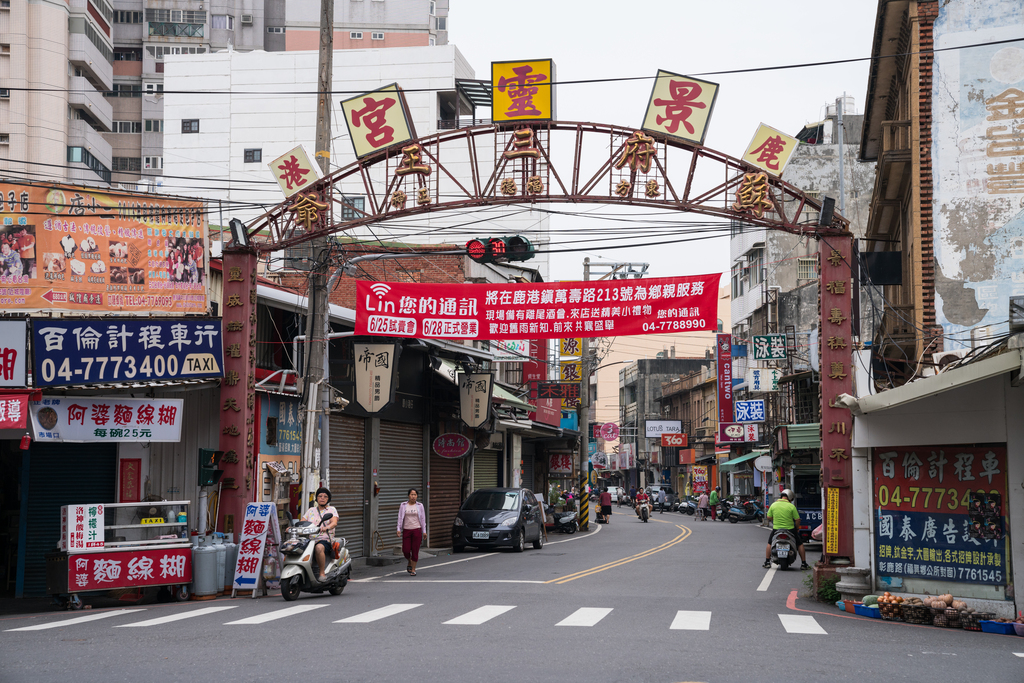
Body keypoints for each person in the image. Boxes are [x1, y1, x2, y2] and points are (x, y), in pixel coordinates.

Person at [764, 489, 809, 570]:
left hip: (776, 529)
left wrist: (775, 518)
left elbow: (768, 517)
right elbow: (797, 519)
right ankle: (803, 563)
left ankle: (767, 562)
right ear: (790, 498)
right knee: (799, 544)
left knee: (770, 543)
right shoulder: (791, 506)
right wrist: (797, 528)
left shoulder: (773, 505)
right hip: (790, 529)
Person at [302, 487, 338, 581]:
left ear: (328, 499)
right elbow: (302, 523)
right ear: (316, 498)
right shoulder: (311, 510)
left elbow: (334, 522)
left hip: (325, 540)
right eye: (320, 496)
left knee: (319, 547)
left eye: (325, 496)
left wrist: (327, 527)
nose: (322, 498)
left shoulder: (331, 510)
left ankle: (322, 573)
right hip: (310, 540)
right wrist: (293, 527)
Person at [396, 487, 426, 576]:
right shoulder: (403, 505)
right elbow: (400, 517)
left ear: (417, 496)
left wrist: (424, 531)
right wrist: (398, 529)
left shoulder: (420, 506)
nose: (413, 496)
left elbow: (423, 519)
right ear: (408, 495)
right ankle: (409, 561)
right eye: (412, 494)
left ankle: (413, 569)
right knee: (405, 550)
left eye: (415, 495)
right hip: (406, 530)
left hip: (417, 529)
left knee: (415, 550)